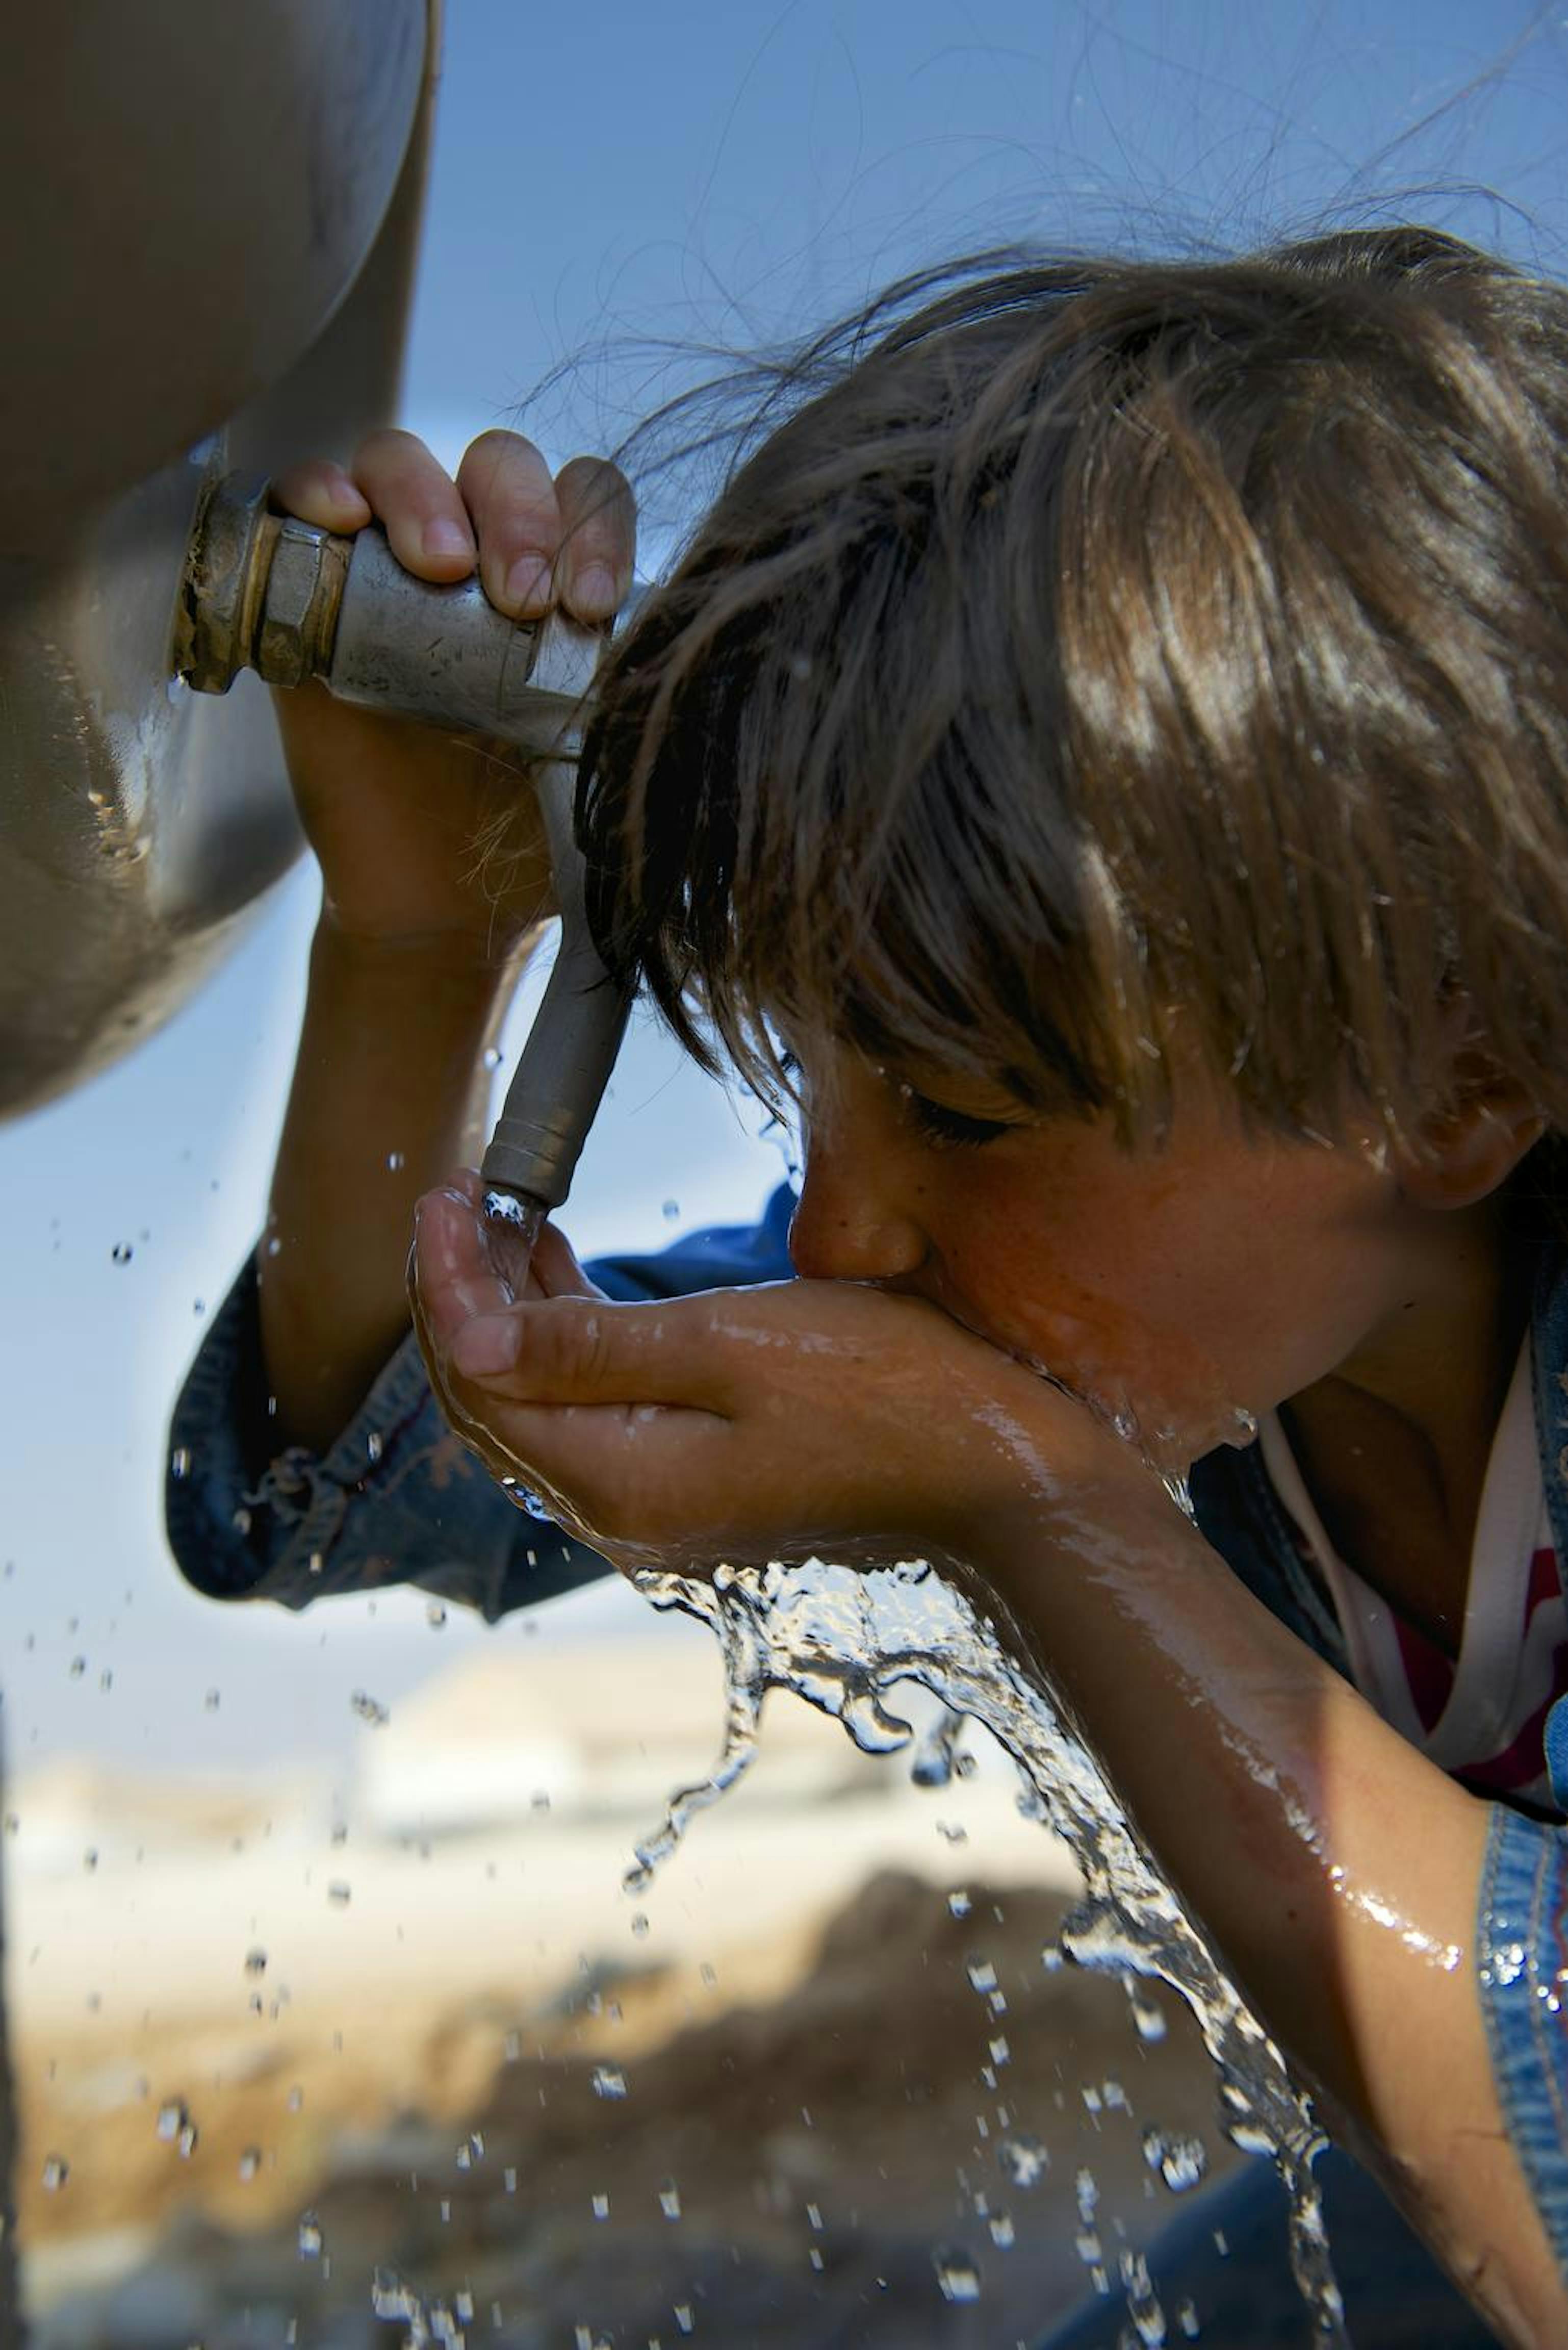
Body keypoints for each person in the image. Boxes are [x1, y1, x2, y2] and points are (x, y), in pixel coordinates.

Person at [166, 223, 1568, 2347]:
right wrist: (422, 939)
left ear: (1460, 1068)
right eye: (820, 1097)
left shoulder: (1046, 1384)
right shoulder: (1095, 1290)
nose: (840, 1242)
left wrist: (1030, 1496)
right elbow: (336, 1489)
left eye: (967, 1109)